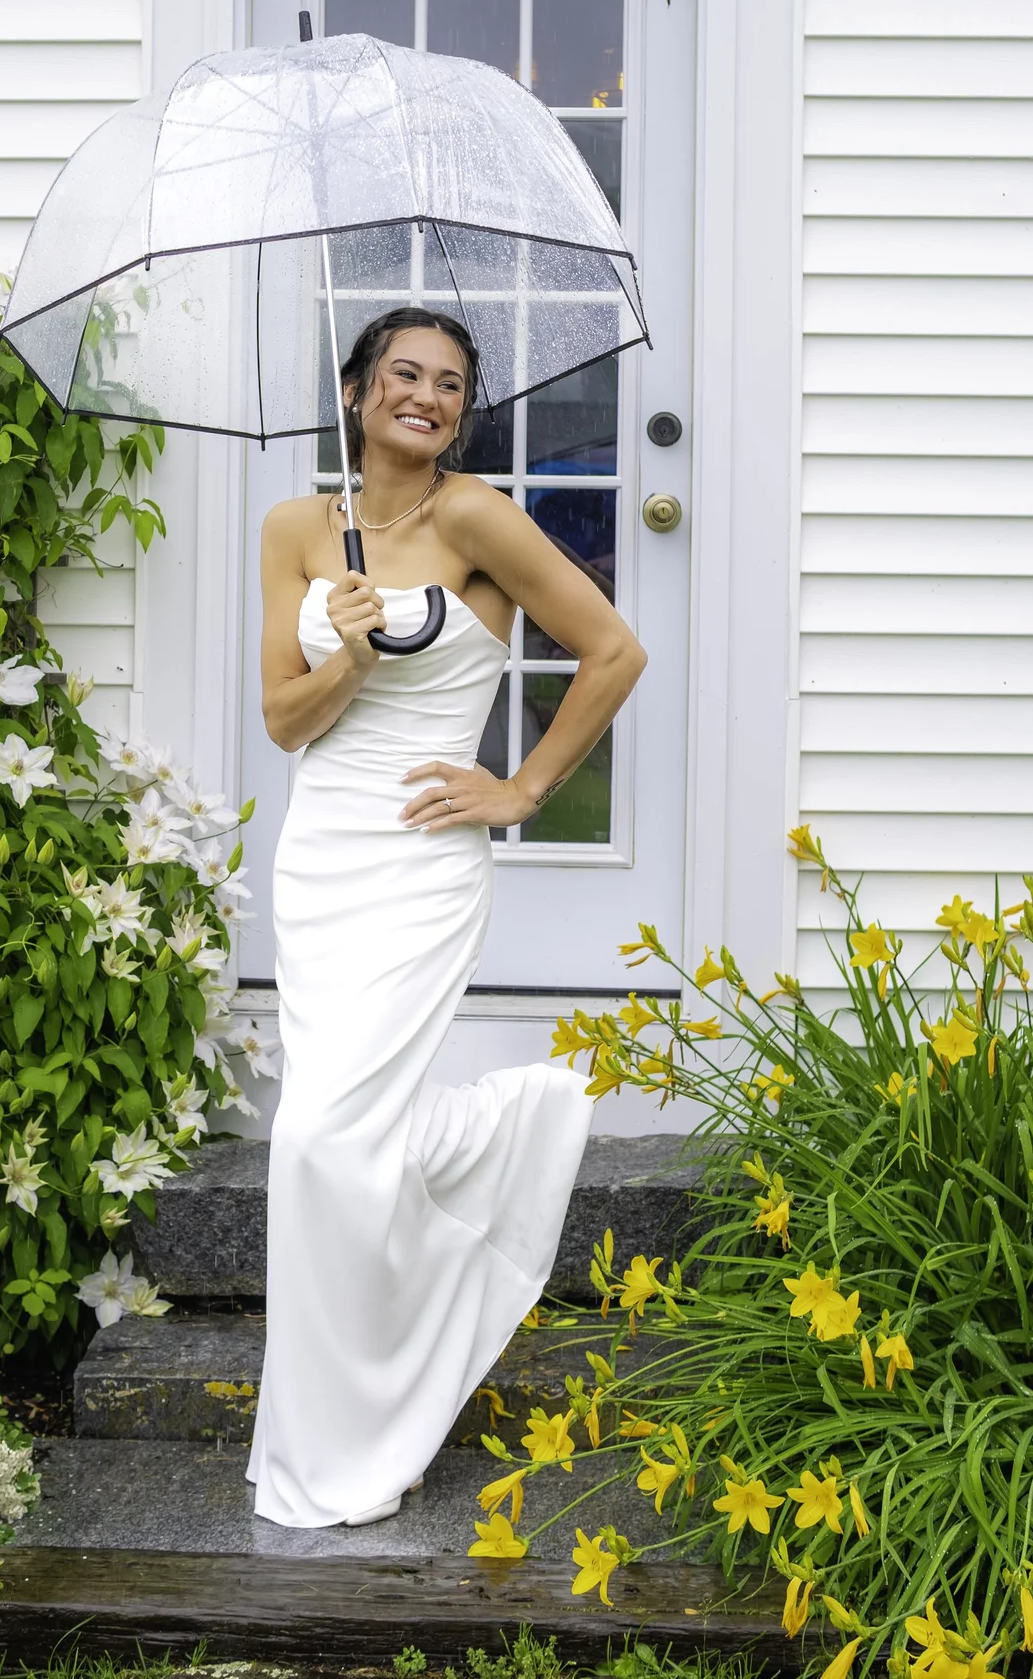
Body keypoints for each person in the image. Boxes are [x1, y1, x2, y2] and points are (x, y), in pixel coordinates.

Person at [245, 306, 647, 1530]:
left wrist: (521, 790)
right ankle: (334, 1433)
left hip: (424, 859)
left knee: (317, 1139)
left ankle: (504, 1133)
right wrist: (354, 659)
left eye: (451, 386)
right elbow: (284, 722)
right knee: (339, 1146)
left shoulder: (474, 516)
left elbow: (614, 650)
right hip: (321, 859)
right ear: (359, 391)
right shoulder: (295, 530)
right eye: (405, 376)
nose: (426, 397)